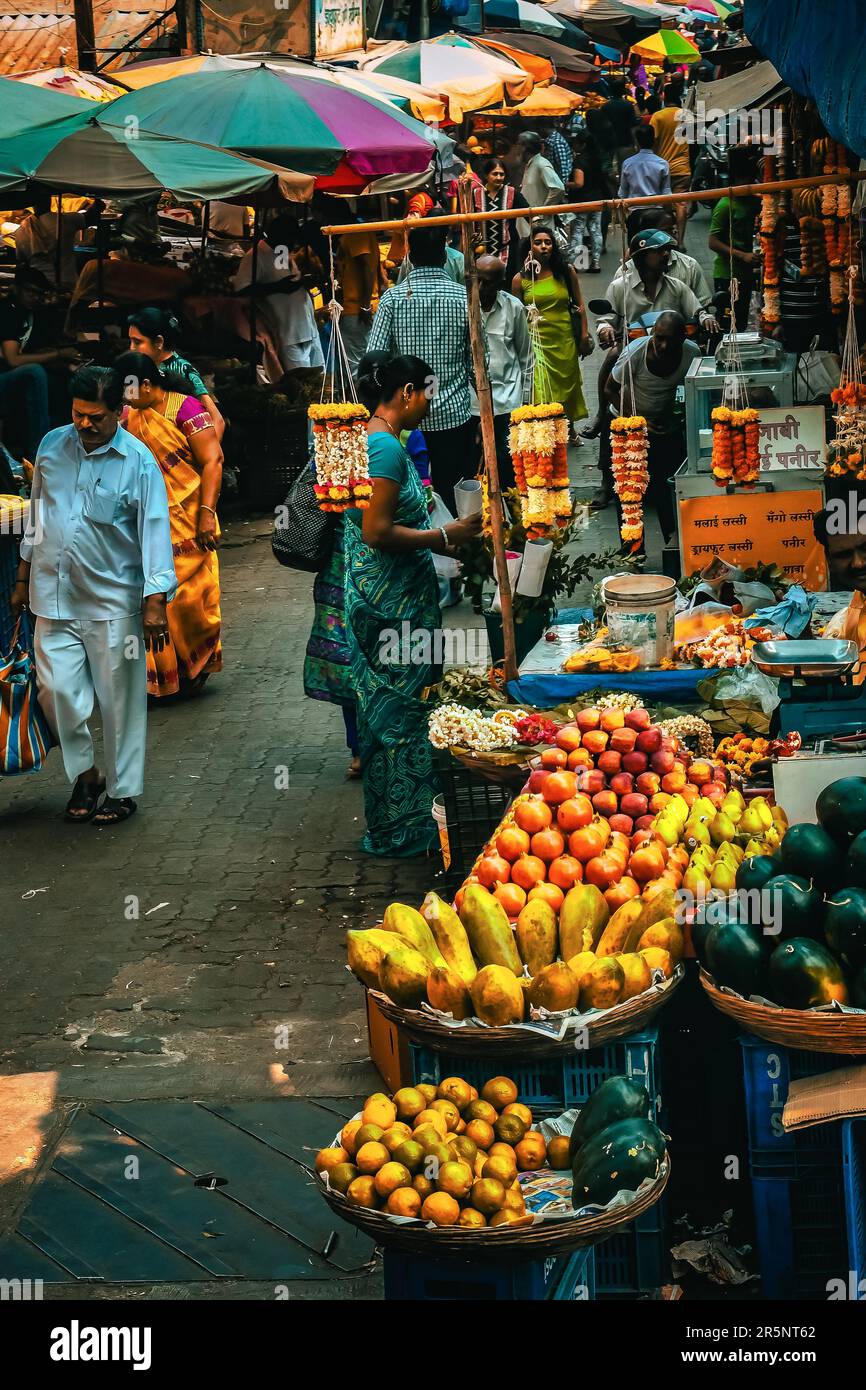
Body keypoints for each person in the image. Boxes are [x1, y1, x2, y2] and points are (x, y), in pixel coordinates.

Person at [10, 364, 175, 825]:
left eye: (96, 417)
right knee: (57, 693)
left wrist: (155, 602)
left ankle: (123, 791)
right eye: (79, 414)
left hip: (113, 603)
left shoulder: (138, 462)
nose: (85, 424)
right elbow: (37, 516)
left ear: (118, 413)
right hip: (52, 597)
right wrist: (23, 578)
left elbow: (155, 531)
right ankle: (87, 774)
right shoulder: (51, 447)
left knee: (120, 701)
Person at [344, 353, 481, 854]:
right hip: (389, 603)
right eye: (426, 391)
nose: (430, 400)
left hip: (384, 596)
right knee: (401, 716)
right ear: (405, 393)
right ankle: (404, 830)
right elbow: (375, 531)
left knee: (392, 713)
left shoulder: (373, 440)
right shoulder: (382, 448)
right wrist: (444, 534)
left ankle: (396, 824)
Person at [114, 351, 223, 700]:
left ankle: (196, 665)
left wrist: (207, 512)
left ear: (146, 384)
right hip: (147, 523)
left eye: (128, 388)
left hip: (191, 519)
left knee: (190, 600)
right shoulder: (129, 416)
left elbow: (213, 460)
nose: (123, 397)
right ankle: (160, 678)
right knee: (155, 599)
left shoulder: (185, 408)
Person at [367, 224, 474, 505]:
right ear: (444, 256)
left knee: (408, 497)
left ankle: (419, 541)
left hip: (403, 418)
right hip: (453, 414)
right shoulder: (463, 299)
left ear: (411, 257)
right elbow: (478, 364)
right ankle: (452, 544)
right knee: (452, 494)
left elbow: (374, 360)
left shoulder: (391, 300)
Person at [602, 311, 699, 557]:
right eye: (659, 338)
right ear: (653, 334)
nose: (664, 346)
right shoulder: (636, 352)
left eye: (671, 340)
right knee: (630, 490)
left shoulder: (692, 354)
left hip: (664, 424)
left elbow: (692, 392)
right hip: (628, 422)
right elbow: (610, 390)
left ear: (683, 338)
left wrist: (678, 418)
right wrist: (639, 423)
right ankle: (633, 552)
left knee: (668, 488)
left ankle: (674, 545)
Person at [512, 225, 591, 435]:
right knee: (542, 386)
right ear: (529, 247)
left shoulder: (566, 271)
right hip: (536, 341)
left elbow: (580, 305)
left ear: (554, 246)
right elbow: (517, 316)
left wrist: (584, 334)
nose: (544, 247)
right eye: (538, 243)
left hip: (564, 337)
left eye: (548, 242)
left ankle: (569, 426)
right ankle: (548, 429)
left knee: (568, 382)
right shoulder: (520, 280)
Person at [0, 271, 81, 459]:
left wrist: (62, 360)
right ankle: (40, 451)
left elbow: (37, 350)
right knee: (35, 372)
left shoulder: (31, 313)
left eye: (39, 294)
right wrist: (58, 354)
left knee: (64, 376)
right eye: (30, 293)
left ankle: (69, 442)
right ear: (17, 290)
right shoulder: (8, 311)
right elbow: (13, 359)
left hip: (14, 376)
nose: (35, 298)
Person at [232, 215, 325, 375]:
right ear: (277, 235)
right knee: (303, 385)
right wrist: (277, 287)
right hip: (288, 333)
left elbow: (291, 280)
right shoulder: (255, 256)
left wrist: (304, 283)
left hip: (308, 329)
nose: (293, 243)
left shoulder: (282, 251)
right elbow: (241, 291)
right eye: (290, 238)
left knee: (321, 382)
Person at [471, 256, 533, 490]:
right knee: (477, 470)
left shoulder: (513, 307)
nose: (481, 288)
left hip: (508, 401)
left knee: (509, 470)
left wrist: (525, 403)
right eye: (478, 281)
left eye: (488, 282)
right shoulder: (464, 306)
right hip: (472, 404)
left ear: (501, 283)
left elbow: (526, 358)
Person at [596, 230, 712, 348]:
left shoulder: (677, 286)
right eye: (659, 251)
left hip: (675, 349)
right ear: (641, 256)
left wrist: (706, 319)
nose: (666, 254)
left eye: (667, 250)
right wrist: (606, 329)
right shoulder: (619, 287)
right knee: (613, 358)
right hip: (632, 350)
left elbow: (698, 311)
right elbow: (605, 321)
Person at [127, 307, 225, 441]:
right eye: (130, 341)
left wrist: (210, 457)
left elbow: (217, 420)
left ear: (159, 342)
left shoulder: (184, 370)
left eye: (137, 342)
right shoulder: (134, 370)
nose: (131, 348)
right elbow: (131, 408)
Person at [708, 146, 762, 332]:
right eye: (748, 179)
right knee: (727, 325)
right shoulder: (725, 205)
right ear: (738, 178)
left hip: (745, 274)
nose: (751, 183)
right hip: (727, 274)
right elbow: (712, 242)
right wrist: (743, 256)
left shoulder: (754, 202)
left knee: (740, 324)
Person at [336, 219, 386, 375]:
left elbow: (366, 266)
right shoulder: (364, 230)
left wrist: (364, 305)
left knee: (356, 367)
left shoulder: (355, 233)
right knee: (369, 362)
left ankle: (359, 399)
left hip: (357, 310)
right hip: (366, 307)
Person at [471, 156, 528, 283]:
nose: (498, 177)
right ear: (486, 175)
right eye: (495, 174)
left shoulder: (512, 193)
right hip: (481, 250)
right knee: (483, 284)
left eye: (502, 174)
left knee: (507, 283)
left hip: (508, 248)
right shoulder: (475, 194)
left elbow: (528, 213)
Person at [650, 78, 691, 246]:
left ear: (664, 97)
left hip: (662, 168)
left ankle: (668, 240)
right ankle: (680, 242)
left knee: (665, 206)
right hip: (682, 167)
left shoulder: (658, 117)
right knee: (681, 205)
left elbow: (652, 142)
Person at [567, 129, 611, 274]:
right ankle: (595, 263)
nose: (574, 145)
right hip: (597, 198)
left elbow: (579, 183)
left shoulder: (580, 161)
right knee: (595, 230)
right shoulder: (598, 159)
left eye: (576, 143)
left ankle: (578, 264)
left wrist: (566, 184)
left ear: (583, 144)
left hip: (582, 200)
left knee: (578, 230)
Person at [516, 131, 571, 246]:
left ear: (526, 148)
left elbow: (558, 188)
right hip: (528, 227)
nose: (517, 149)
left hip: (540, 227)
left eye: (519, 145)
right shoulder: (531, 165)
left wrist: (543, 211)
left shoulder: (541, 164)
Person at [618, 126, 671, 200]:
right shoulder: (663, 164)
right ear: (654, 141)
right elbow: (666, 193)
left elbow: (622, 193)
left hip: (635, 209)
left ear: (637, 142)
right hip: (657, 208)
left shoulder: (627, 163)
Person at [603, 77, 639, 175]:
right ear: (623, 90)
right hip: (626, 142)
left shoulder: (605, 106)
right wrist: (636, 143)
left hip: (610, 142)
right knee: (625, 170)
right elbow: (633, 126)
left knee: (612, 172)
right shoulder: (628, 105)